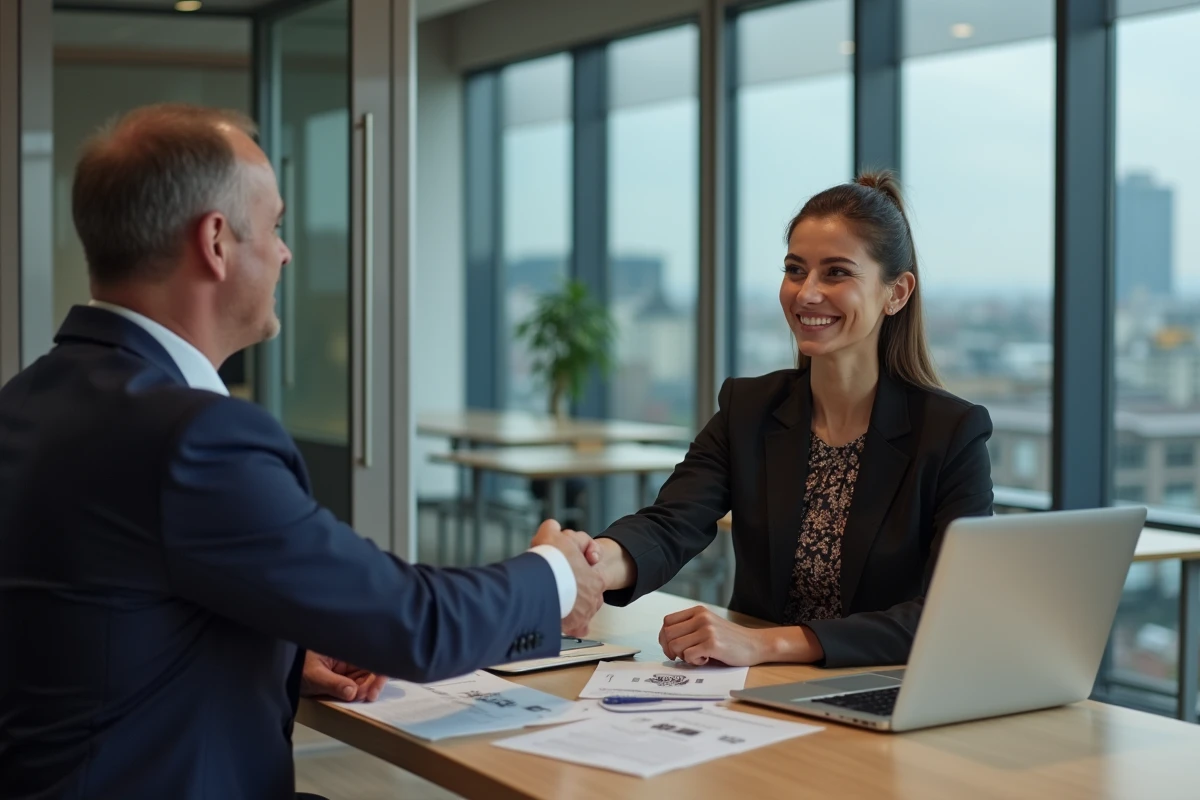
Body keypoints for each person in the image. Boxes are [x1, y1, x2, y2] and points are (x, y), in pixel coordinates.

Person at [0, 104, 603, 800]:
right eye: (276, 226)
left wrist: (278, 650)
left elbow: (104, 626)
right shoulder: (192, 438)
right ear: (216, 242)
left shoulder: (28, 400)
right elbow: (416, 622)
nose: (286, 254)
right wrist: (555, 575)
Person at [581, 171, 993, 670]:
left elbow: (952, 612)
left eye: (836, 273)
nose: (807, 293)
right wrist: (588, 567)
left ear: (897, 293)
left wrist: (767, 644)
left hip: (882, 688)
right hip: (758, 690)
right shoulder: (749, 409)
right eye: (796, 270)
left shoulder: (951, 434)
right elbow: (670, 524)